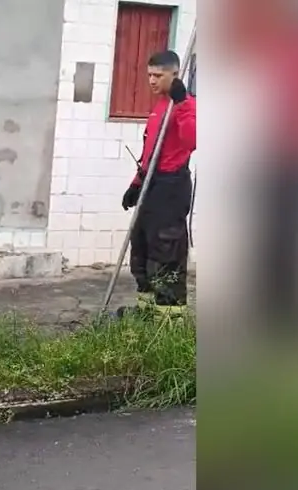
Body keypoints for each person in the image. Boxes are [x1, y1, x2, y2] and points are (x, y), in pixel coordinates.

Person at [120, 50, 196, 319]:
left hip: (171, 186)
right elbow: (149, 151)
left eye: (158, 75)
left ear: (175, 75)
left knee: (166, 251)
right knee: (141, 248)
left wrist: (183, 102)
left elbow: (192, 141)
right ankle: (146, 310)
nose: (151, 80)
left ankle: (169, 318)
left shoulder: (186, 105)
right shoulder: (160, 106)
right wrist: (136, 183)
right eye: (149, 75)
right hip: (150, 184)